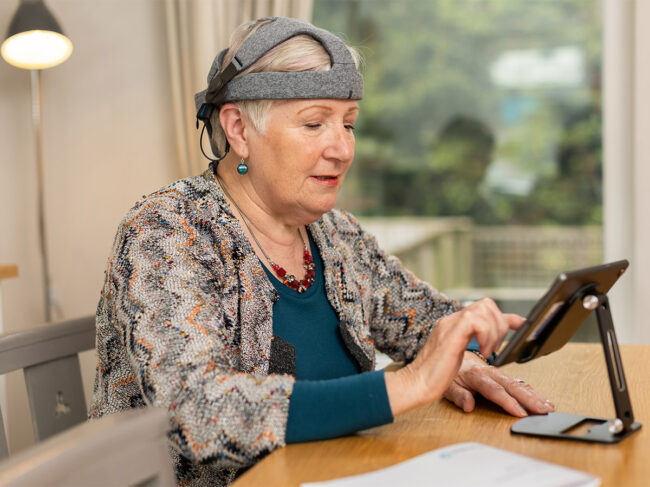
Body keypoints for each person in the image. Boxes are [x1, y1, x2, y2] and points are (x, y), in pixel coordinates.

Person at [89, 17, 554, 487]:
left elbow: (424, 323)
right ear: (238, 129)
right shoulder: (166, 231)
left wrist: (471, 343)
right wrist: (409, 385)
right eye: (314, 123)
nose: (343, 149)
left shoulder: (333, 234)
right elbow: (196, 411)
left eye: (348, 124)